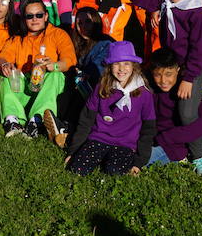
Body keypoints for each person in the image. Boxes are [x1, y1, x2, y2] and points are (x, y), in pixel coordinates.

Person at [129, 0, 202, 164]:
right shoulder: (165, 1)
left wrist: (188, 78)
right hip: (170, 66)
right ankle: (167, 144)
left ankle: (199, 157)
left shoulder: (197, 13)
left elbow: (199, 50)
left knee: (187, 113)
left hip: (192, 68)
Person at [65, 41, 156, 176]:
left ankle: (109, 161)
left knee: (114, 172)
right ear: (109, 66)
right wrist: (73, 151)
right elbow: (86, 120)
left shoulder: (144, 93)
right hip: (98, 139)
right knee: (77, 169)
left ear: (134, 66)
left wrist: (139, 162)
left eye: (126, 63)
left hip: (125, 144)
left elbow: (148, 130)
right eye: (116, 63)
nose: (121, 69)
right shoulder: (101, 87)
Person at [0, 0, 76, 138]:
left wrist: (54, 65)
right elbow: (1, 57)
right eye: (29, 16)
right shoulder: (17, 39)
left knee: (55, 74)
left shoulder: (58, 34)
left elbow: (70, 60)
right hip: (24, 86)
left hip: (47, 87)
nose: (34, 19)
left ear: (46, 16)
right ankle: (13, 120)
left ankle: (38, 120)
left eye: (39, 15)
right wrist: (4, 64)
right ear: (24, 19)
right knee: (5, 73)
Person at [145, 47, 202, 174]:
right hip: (151, 139)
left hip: (173, 146)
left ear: (178, 70)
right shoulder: (150, 90)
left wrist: (165, 138)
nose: (163, 81)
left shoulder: (186, 90)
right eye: (158, 75)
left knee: (137, 161)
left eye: (168, 74)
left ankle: (187, 159)